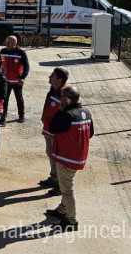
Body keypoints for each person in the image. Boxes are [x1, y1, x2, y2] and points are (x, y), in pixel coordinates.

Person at [45, 86, 94, 230]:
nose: (60, 100)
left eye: (62, 98)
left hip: (67, 158)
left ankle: (71, 220)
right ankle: (62, 210)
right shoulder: (86, 112)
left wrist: (60, 110)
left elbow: (53, 127)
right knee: (66, 184)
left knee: (67, 189)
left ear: (67, 99)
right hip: (78, 156)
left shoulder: (67, 115)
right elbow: (90, 133)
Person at [39, 67, 69, 193]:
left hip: (56, 132)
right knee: (50, 153)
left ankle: (60, 185)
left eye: (52, 76)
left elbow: (66, 115)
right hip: (48, 129)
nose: (49, 77)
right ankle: (54, 177)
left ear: (59, 79)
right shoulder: (53, 90)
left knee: (57, 156)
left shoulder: (65, 94)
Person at [0, 35, 30, 123]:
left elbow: (26, 66)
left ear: (14, 43)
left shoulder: (21, 52)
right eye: (7, 41)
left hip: (17, 81)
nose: (7, 43)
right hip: (5, 81)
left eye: (9, 42)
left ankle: (21, 116)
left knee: (19, 99)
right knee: (4, 100)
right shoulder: (3, 51)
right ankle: (3, 118)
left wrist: (23, 77)